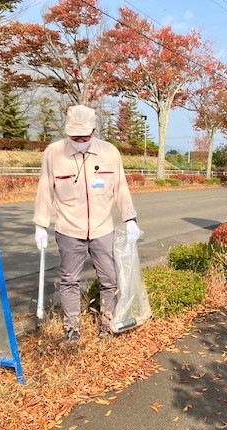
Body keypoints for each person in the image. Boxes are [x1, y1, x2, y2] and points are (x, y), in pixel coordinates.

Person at [33, 105, 141, 347]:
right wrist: (41, 224)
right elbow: (44, 190)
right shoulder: (53, 153)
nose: (80, 141)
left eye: (84, 136)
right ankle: (72, 329)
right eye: (75, 136)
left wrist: (130, 219)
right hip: (69, 229)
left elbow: (120, 188)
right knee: (69, 280)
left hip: (103, 228)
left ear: (94, 130)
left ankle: (108, 323)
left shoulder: (110, 152)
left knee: (109, 279)